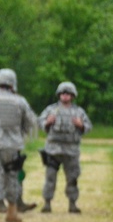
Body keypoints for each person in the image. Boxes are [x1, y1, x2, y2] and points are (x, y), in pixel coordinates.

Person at [0, 68, 38, 222]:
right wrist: (21, 135)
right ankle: (12, 212)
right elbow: (31, 123)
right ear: (13, 84)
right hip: (12, 146)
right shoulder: (20, 101)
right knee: (12, 177)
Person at [38, 81, 92, 213]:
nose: (65, 96)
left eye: (68, 94)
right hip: (53, 150)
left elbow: (89, 126)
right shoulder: (51, 110)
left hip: (71, 151)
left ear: (73, 96)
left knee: (72, 178)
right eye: (63, 93)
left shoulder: (78, 112)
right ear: (59, 95)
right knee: (50, 178)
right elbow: (40, 122)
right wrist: (47, 122)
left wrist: (81, 125)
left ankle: (72, 203)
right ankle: (47, 203)